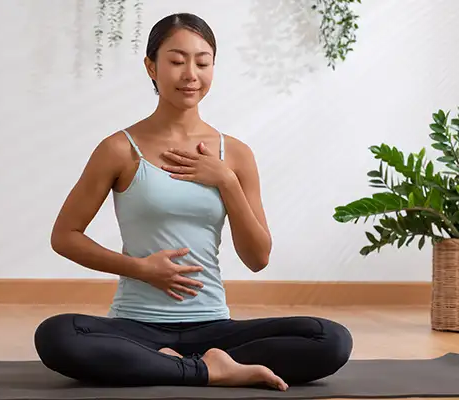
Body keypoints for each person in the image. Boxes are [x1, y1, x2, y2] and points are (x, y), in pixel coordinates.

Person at [34, 12, 353, 391]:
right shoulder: (119, 149)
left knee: (330, 339)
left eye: (202, 62)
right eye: (176, 60)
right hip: (136, 327)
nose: (190, 74)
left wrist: (227, 182)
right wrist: (141, 269)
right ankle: (209, 371)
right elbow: (65, 235)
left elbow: (257, 258)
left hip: (214, 328)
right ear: (151, 67)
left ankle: (177, 366)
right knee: (57, 335)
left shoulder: (234, 154)